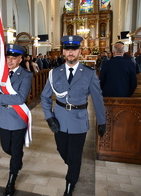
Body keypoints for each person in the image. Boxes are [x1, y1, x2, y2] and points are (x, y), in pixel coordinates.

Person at [41, 35, 106, 196]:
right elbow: (45, 96)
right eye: (68, 49)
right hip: (60, 119)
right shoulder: (55, 73)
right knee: (62, 150)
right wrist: (49, 117)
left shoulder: (89, 74)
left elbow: (98, 99)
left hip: (79, 120)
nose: (71, 53)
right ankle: (73, 168)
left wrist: (102, 121)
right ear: (63, 51)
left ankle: (70, 184)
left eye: (74, 50)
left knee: (75, 155)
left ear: (80, 51)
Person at [0, 44, 33, 196]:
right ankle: (17, 158)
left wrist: (0, 97)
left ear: (20, 60)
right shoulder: (0, 75)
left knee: (15, 151)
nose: (10, 61)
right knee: (6, 148)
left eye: (14, 58)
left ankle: (11, 180)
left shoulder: (26, 75)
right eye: (8, 57)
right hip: (3, 117)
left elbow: (20, 97)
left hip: (18, 117)